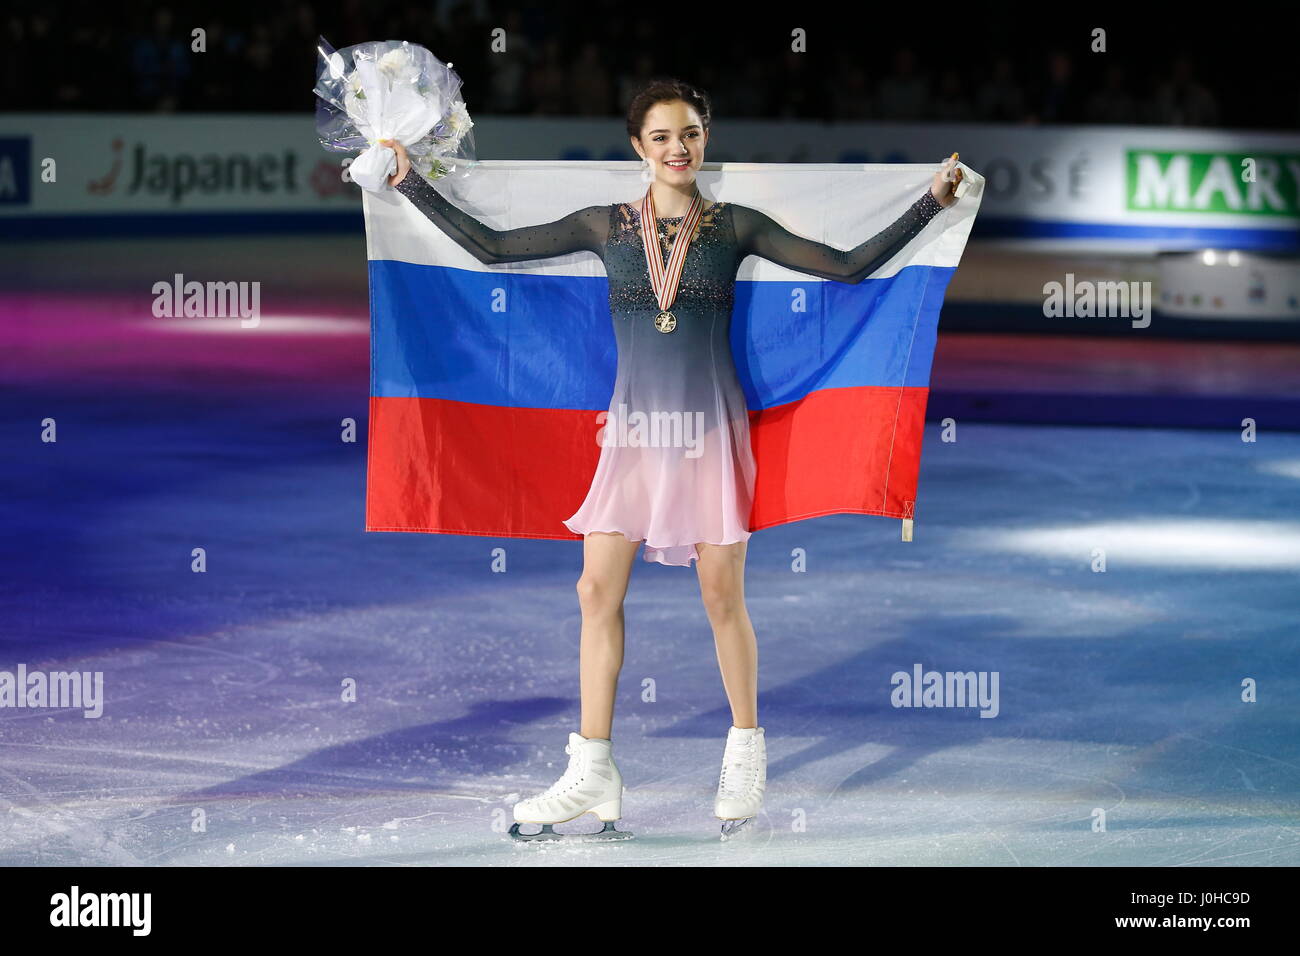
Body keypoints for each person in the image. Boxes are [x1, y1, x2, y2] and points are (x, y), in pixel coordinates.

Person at [382, 77, 962, 841]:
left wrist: (932, 202)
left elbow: (847, 267)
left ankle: (747, 749)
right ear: (637, 147)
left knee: (721, 598)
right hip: (631, 437)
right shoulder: (604, 226)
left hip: (708, 435)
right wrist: (409, 183)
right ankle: (593, 769)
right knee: (595, 590)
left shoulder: (734, 227)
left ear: (705, 138)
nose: (676, 148)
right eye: (660, 137)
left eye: (688, 134)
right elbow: (492, 248)